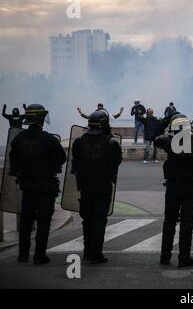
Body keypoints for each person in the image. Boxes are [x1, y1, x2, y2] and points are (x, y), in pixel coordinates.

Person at [154, 113, 193, 268]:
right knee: (187, 223)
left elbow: (155, 138)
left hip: (173, 187)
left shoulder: (169, 142)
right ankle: (184, 257)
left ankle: (165, 256)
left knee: (169, 222)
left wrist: (167, 121)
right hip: (192, 187)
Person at [9, 104, 66, 264]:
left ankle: (22, 255)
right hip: (46, 185)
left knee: (26, 220)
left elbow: (13, 159)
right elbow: (62, 157)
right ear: (41, 118)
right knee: (44, 220)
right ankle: (39, 255)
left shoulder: (19, 138)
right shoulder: (49, 139)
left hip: (26, 185)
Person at [71, 110, 122, 264]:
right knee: (99, 220)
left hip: (85, 185)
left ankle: (87, 252)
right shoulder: (111, 142)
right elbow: (116, 162)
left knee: (87, 220)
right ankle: (96, 254)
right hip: (103, 185)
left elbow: (75, 166)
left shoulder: (79, 142)